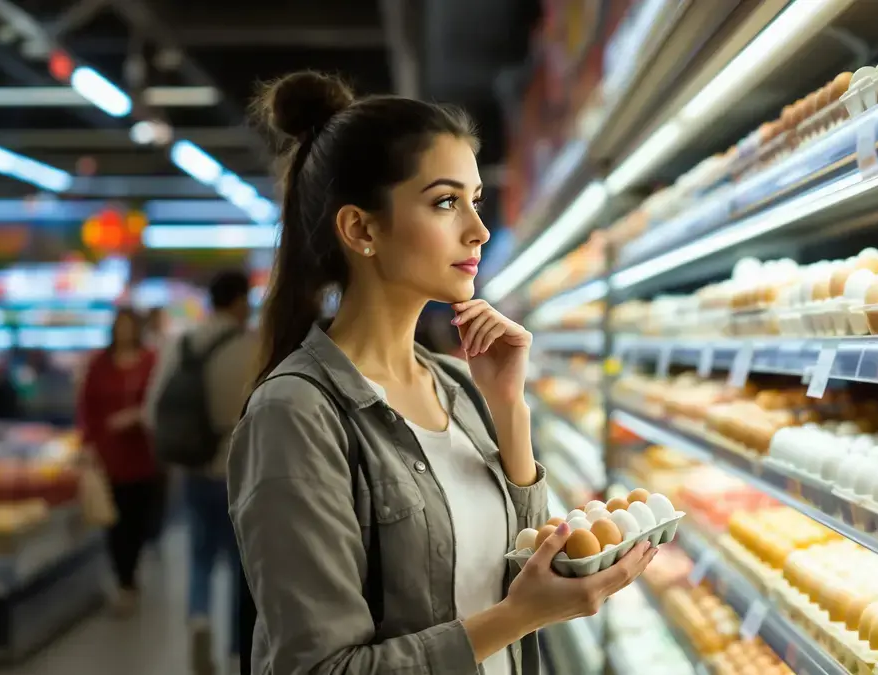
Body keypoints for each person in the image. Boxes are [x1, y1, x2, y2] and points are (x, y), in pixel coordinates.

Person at [229, 71, 655, 675]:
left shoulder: (456, 385)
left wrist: (509, 408)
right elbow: (320, 668)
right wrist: (518, 618)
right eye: (445, 202)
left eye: (475, 200)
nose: (478, 230)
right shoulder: (296, 415)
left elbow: (519, 563)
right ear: (361, 229)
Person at [145, 271, 256, 675]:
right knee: (240, 562)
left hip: (194, 467)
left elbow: (152, 407)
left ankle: (198, 619)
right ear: (240, 301)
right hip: (240, 467)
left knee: (200, 552)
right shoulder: (253, 346)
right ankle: (231, 649)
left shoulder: (183, 343)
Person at [76, 307, 158, 615]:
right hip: (108, 455)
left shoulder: (151, 361)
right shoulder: (99, 364)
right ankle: (124, 580)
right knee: (115, 521)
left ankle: (130, 574)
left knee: (137, 519)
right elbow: (87, 406)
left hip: (142, 453)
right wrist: (88, 442)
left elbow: (157, 400)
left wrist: (138, 415)